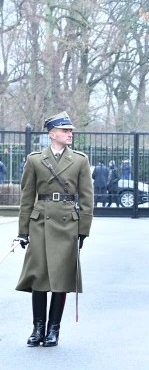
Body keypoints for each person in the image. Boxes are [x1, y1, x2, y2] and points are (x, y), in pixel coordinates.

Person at [15, 111, 94, 347]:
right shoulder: (35, 159)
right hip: (40, 222)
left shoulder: (79, 160)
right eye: (65, 130)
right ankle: (37, 328)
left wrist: (83, 229)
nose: (70, 134)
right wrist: (22, 231)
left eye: (70, 131)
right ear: (52, 134)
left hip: (67, 222)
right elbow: (27, 196)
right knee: (39, 276)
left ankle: (53, 330)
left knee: (61, 277)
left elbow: (87, 197)